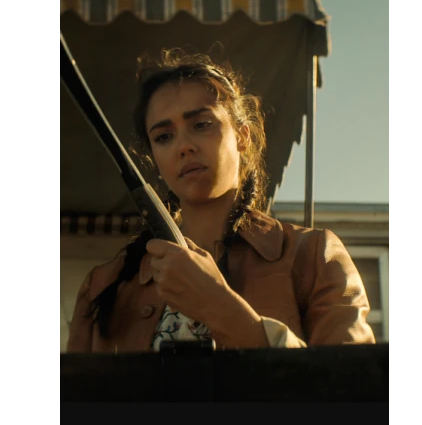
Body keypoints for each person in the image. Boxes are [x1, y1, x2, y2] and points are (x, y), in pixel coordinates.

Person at [67, 50, 375, 353]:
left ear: (243, 136)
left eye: (201, 124)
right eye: (164, 136)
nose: (184, 146)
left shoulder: (314, 256)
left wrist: (221, 308)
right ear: (154, 159)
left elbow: (352, 381)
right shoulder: (103, 285)